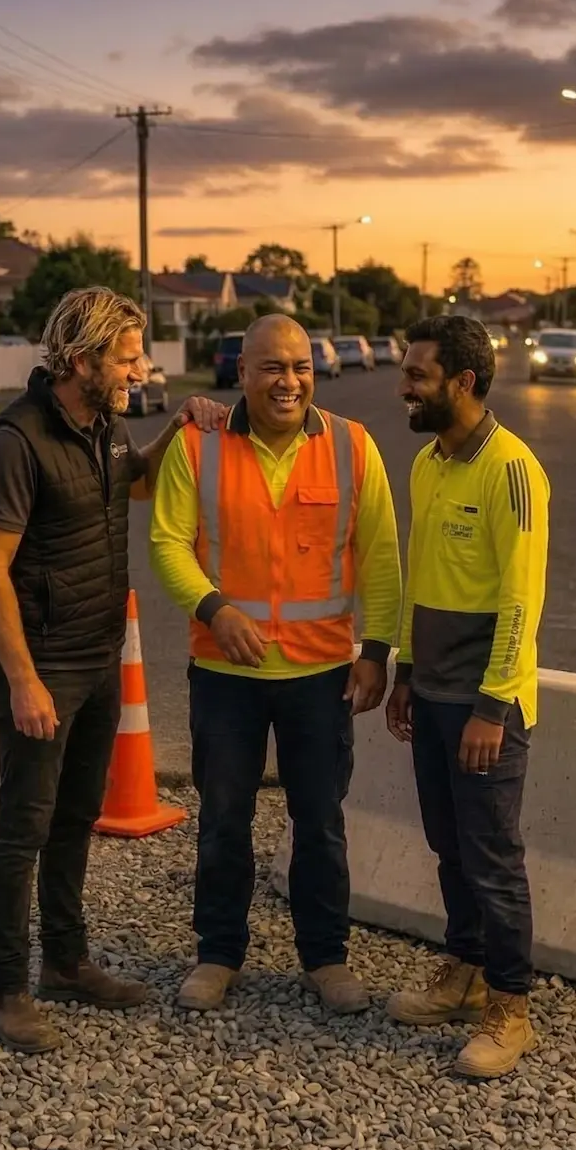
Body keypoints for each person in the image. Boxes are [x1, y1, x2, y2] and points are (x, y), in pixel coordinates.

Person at [0, 287, 225, 1053]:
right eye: (126, 357)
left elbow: (131, 484)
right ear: (80, 361)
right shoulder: (14, 442)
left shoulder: (105, 426)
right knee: (25, 824)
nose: (140, 369)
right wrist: (22, 679)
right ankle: (9, 989)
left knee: (78, 815)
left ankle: (67, 963)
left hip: (98, 652)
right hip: (43, 663)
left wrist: (175, 427)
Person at [149, 314, 402, 1014]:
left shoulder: (353, 447)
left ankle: (326, 959)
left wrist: (377, 650)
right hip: (226, 676)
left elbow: (381, 555)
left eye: (300, 367)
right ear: (242, 373)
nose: (288, 381)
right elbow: (168, 542)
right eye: (272, 367)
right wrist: (214, 608)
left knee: (319, 820)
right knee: (223, 817)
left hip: (321, 675)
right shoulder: (197, 446)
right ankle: (218, 954)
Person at [385, 315, 550, 1078]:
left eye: (418, 375)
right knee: (449, 847)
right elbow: (421, 577)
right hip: (436, 691)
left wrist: (492, 706)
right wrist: (407, 672)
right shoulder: (427, 463)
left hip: (489, 704)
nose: (404, 386)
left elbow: (521, 600)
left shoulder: (510, 468)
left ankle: (510, 1006)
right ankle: (463, 969)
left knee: (492, 857)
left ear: (464, 384)